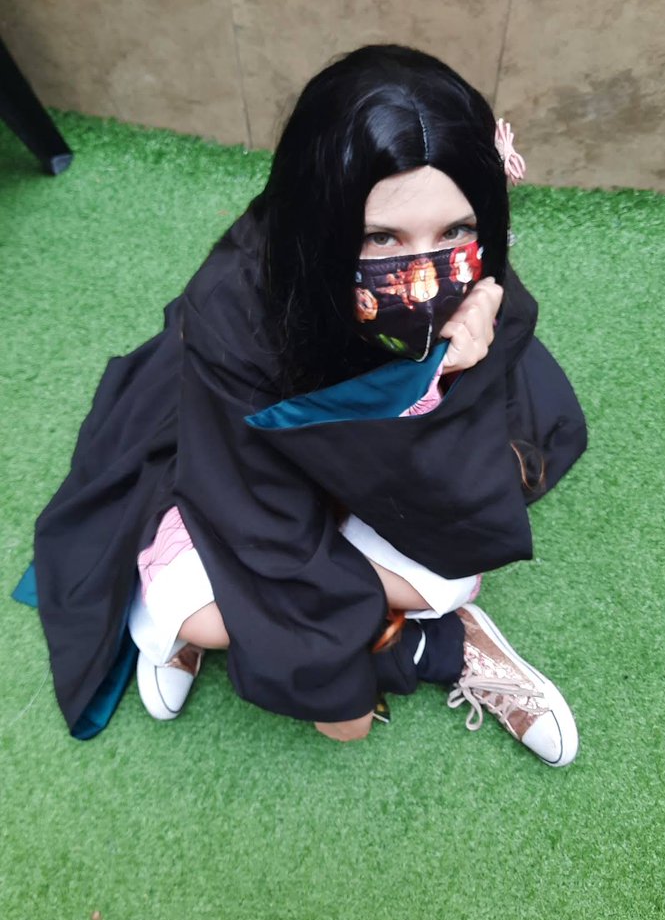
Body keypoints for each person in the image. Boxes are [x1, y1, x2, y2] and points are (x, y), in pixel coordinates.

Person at [28, 45, 587, 763]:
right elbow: (256, 517)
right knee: (201, 619)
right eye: (380, 237)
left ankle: (414, 626)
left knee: (449, 579)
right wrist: (335, 683)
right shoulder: (233, 310)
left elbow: (463, 500)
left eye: (455, 230)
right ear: (319, 214)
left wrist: (450, 379)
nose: (424, 278)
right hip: (240, 463)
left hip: (384, 470)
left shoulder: (477, 278)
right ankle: (422, 647)